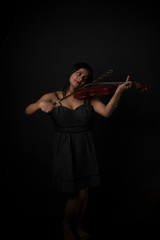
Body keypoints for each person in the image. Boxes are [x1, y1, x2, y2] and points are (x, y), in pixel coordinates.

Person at [25, 62, 132, 240]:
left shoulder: (88, 96)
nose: (81, 78)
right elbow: (28, 110)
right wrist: (40, 105)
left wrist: (118, 92)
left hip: (85, 145)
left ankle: (78, 226)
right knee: (76, 192)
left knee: (84, 191)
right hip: (65, 147)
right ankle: (66, 225)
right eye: (79, 73)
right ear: (71, 74)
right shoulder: (53, 96)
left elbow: (106, 112)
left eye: (85, 77)